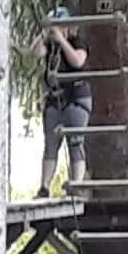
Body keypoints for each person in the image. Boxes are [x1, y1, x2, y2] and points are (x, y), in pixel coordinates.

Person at [31, 15, 91, 197]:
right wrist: (44, 34)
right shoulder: (50, 46)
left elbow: (78, 61)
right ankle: (44, 186)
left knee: (75, 142)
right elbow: (36, 53)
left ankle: (77, 185)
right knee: (50, 144)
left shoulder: (77, 42)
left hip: (75, 97)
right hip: (54, 98)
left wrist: (63, 41)